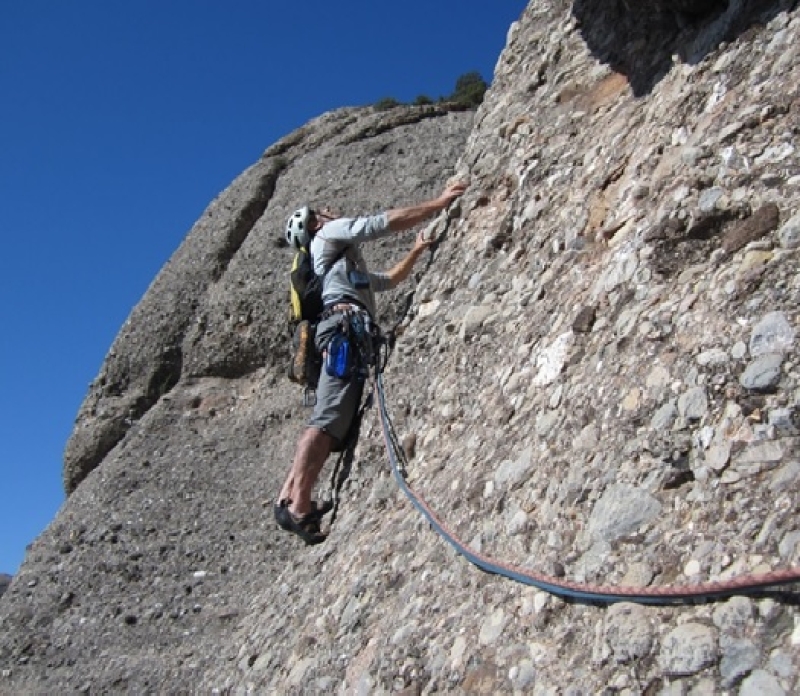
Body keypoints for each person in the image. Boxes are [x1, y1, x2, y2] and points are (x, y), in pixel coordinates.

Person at [275, 181, 468, 544]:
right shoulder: (330, 234)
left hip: (341, 329)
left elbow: (387, 280)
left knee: (328, 415)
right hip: (343, 331)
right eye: (322, 212)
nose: (331, 211)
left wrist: (414, 252)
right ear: (315, 223)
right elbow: (381, 223)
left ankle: (287, 495)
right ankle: (299, 507)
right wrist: (440, 202)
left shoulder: (340, 264)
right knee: (328, 419)